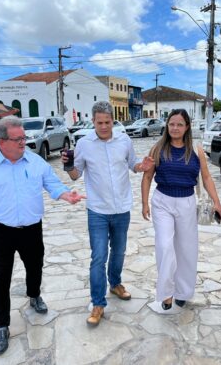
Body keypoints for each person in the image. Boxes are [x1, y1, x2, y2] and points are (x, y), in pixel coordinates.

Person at [0, 115, 85, 355]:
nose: (24, 142)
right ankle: (1, 326)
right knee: (1, 278)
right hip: (0, 229)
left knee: (35, 266)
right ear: (2, 142)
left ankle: (34, 295)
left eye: (24, 137)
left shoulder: (35, 162)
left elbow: (52, 184)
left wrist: (66, 195)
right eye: (18, 138)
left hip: (32, 228)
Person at [61, 101, 154, 327]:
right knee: (98, 256)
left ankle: (115, 283)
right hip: (98, 210)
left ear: (113, 121)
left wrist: (143, 166)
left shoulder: (124, 140)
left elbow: (133, 165)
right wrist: (68, 165)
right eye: (99, 122)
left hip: (122, 207)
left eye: (107, 122)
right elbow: (76, 175)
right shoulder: (83, 144)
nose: (104, 126)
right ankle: (98, 303)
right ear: (93, 121)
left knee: (119, 251)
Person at [141, 109, 221, 311]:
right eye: (171, 124)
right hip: (162, 202)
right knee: (165, 246)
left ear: (187, 126)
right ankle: (166, 293)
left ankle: (183, 292)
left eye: (179, 124)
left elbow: (206, 177)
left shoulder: (196, 151)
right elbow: (147, 177)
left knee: (186, 250)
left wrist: (217, 202)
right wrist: (144, 203)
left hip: (187, 202)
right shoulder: (158, 148)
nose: (175, 128)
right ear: (167, 126)